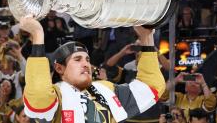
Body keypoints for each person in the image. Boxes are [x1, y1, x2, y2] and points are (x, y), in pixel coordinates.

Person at [19, 16, 165, 123]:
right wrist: (38, 35)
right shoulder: (56, 96)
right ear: (59, 68)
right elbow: (38, 97)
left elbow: (151, 87)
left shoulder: (106, 89)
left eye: (87, 59)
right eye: (77, 59)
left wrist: (147, 39)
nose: (85, 64)